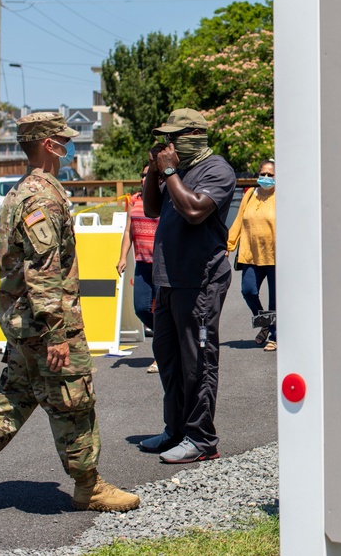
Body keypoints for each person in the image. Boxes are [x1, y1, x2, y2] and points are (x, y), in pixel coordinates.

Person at [0, 112, 140, 516]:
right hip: (45, 323)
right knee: (73, 399)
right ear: (47, 144)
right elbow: (42, 273)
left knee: (17, 396)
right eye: (63, 138)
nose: (69, 145)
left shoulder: (23, 191)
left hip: (24, 321)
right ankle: (89, 486)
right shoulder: (41, 196)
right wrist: (57, 334)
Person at [138, 108, 236, 464]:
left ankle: (201, 438)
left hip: (200, 280)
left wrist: (168, 171)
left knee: (198, 361)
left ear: (195, 134)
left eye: (174, 138)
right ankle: (176, 429)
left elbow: (195, 211)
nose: (168, 145)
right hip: (169, 279)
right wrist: (154, 172)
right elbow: (151, 209)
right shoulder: (177, 171)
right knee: (168, 358)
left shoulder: (217, 170)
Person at [226, 159, 277, 350]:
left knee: (275, 299)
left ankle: (274, 335)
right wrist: (229, 245)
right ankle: (265, 323)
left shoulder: (282, 196)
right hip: (251, 254)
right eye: (262, 174)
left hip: (274, 255)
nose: (265, 178)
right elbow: (239, 221)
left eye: (270, 175)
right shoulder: (249, 195)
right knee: (248, 291)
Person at [117, 162, 160, 372]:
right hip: (142, 263)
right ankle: (167, 336)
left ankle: (161, 355)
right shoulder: (134, 200)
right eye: (143, 175)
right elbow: (128, 231)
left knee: (162, 310)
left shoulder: (165, 200)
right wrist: (122, 257)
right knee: (141, 308)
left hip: (163, 265)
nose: (145, 179)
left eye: (149, 175)